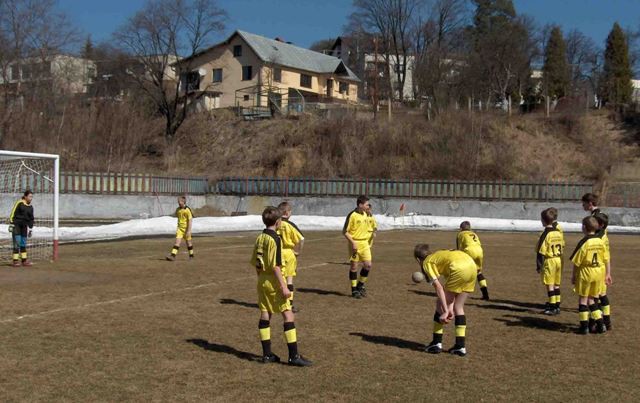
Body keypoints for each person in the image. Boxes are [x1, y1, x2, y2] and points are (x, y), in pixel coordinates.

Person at [251, 206, 312, 366]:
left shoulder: (260, 237)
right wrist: (284, 286)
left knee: (266, 313)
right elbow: (276, 266)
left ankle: (267, 354)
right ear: (278, 222)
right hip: (274, 281)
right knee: (288, 315)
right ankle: (293, 356)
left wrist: (260, 279)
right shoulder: (275, 239)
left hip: (262, 280)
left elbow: (257, 263)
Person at [414, 244, 476, 357]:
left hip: (458, 267)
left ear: (418, 259)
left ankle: (436, 344)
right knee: (458, 307)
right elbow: (451, 293)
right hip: (472, 266)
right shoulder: (439, 256)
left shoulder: (427, 262)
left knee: (439, 304)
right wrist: (449, 308)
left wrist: (445, 311)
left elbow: (439, 288)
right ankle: (460, 346)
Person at [570, 216, 607, 335]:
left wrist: (574, 275)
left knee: (583, 299)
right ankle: (601, 324)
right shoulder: (600, 241)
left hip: (586, 272)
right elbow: (605, 258)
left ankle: (584, 327)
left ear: (584, 227)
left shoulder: (584, 242)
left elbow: (577, 262)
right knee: (593, 299)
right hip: (599, 272)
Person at [343, 196, 373, 298]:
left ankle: (360, 285)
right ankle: (354, 289)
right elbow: (345, 232)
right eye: (366, 204)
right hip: (354, 244)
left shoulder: (365, 214)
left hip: (364, 244)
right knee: (354, 266)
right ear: (360, 205)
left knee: (368, 265)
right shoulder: (352, 215)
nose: (368, 206)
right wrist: (353, 242)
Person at [277, 201, 304, 312]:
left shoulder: (276, 223)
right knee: (289, 279)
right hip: (288, 253)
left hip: (277, 253)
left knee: (278, 278)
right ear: (287, 213)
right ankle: (289, 303)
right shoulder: (290, 225)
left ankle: (277, 301)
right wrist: (298, 252)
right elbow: (301, 239)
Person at [536, 209, 565, 315]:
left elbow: (540, 252)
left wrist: (539, 265)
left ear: (543, 220)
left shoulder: (545, 234)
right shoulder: (558, 232)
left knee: (550, 284)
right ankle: (557, 304)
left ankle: (552, 307)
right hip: (558, 259)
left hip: (550, 261)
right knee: (557, 284)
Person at [456, 221, 489, 300]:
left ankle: (458, 292)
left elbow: (459, 248)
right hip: (479, 251)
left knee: (463, 271)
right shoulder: (474, 234)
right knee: (479, 272)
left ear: (461, 228)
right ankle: (485, 294)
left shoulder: (460, 234)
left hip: (469, 251)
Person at [594, 212, 613, 330]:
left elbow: (605, 257)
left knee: (594, 297)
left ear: (600, 225)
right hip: (602, 269)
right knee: (602, 295)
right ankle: (607, 320)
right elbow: (607, 257)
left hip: (597, 269)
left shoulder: (598, 238)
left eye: (594, 222)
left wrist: (608, 273)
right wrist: (608, 272)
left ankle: (598, 323)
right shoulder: (604, 235)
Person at [8, 190, 34, 267]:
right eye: (29, 196)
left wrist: (31, 228)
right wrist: (12, 223)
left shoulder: (30, 207)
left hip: (24, 227)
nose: (31, 198)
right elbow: (13, 213)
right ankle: (15, 261)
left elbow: (31, 218)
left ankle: (24, 261)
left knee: (23, 243)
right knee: (17, 243)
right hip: (16, 225)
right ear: (25, 196)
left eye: (32, 197)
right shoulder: (19, 203)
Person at [166, 196, 194, 261]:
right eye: (178, 201)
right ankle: (172, 256)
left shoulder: (187, 210)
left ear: (183, 202)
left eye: (180, 201)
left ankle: (191, 256)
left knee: (188, 242)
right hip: (179, 229)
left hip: (186, 229)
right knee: (177, 242)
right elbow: (176, 215)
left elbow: (190, 220)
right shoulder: (178, 209)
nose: (178, 202)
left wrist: (189, 230)